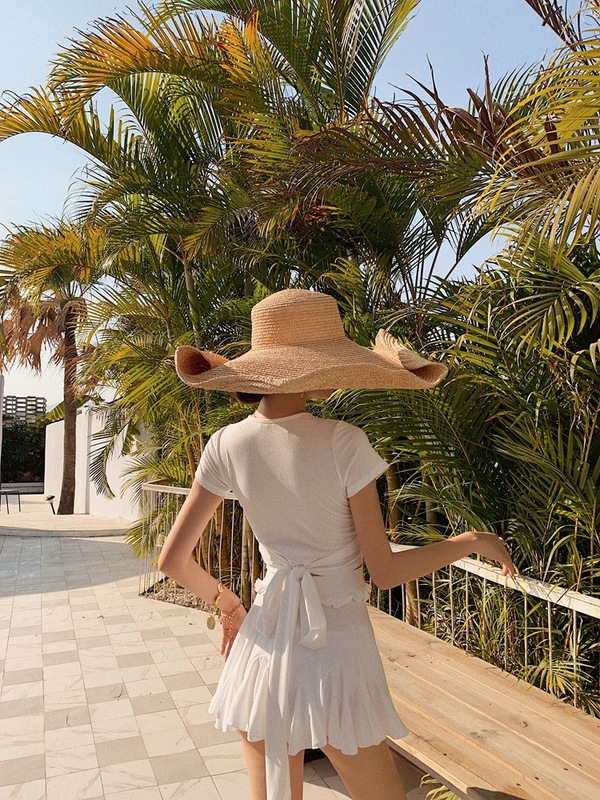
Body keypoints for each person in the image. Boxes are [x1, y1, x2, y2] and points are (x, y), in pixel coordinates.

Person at [158, 288, 515, 800]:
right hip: (336, 652)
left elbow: (173, 560)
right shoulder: (344, 441)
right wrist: (468, 541)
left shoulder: (226, 443)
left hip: (264, 642)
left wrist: (230, 605)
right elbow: (384, 571)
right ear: (316, 368)